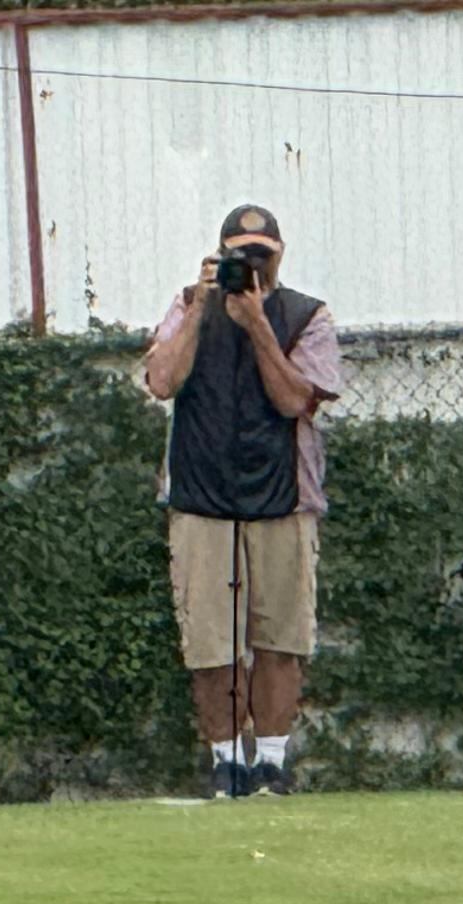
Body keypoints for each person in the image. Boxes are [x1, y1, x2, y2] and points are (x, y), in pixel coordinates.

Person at [140, 206, 344, 800]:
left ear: (281, 253)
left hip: (283, 496)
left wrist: (257, 324)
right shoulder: (189, 305)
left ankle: (272, 764)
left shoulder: (307, 316)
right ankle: (225, 761)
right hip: (202, 496)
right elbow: (160, 382)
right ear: (219, 254)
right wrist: (204, 309)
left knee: (280, 638)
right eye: (240, 254)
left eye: (262, 254)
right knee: (211, 642)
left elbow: (293, 400)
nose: (251, 266)